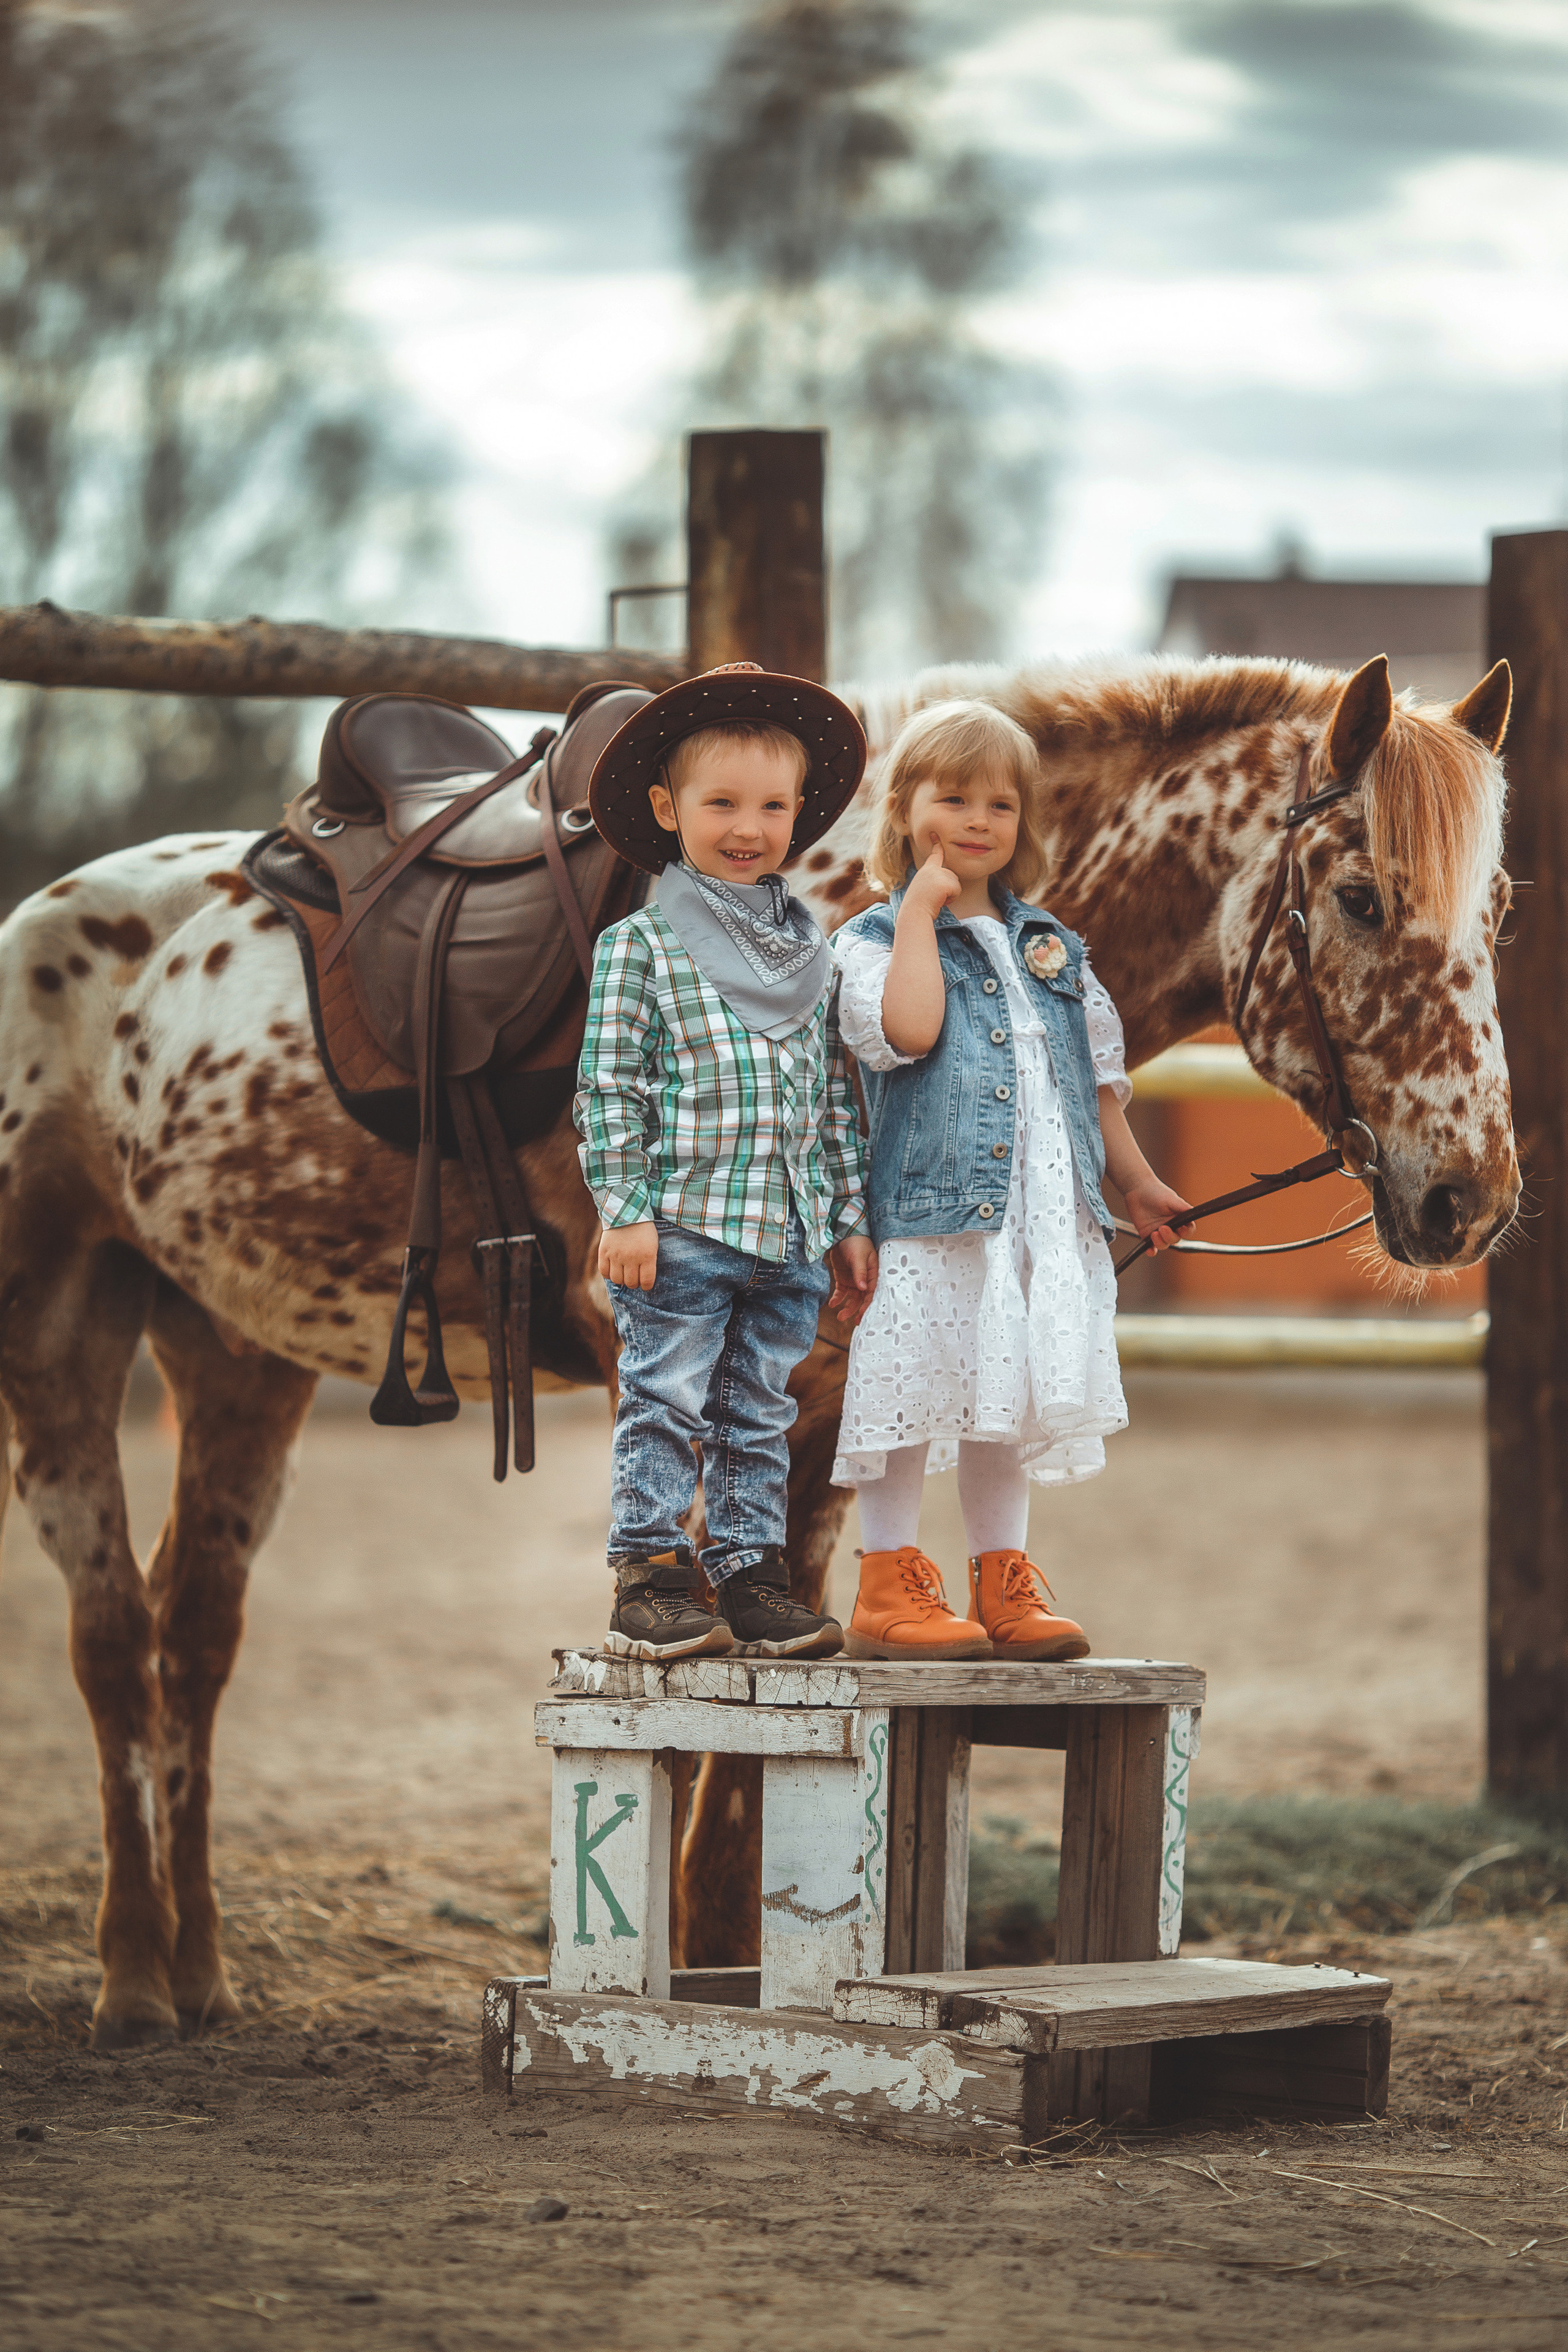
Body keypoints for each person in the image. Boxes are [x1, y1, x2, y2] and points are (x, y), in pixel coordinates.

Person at [828, 698, 1192, 1662]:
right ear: (905, 810)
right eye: (954, 799)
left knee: (1007, 1391)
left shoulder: (1050, 947)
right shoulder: (874, 941)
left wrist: (1137, 1182)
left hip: (1039, 1216)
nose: (980, 821)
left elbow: (1093, 1081)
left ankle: (1003, 1579)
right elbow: (908, 1032)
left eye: (1001, 804)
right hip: (934, 1213)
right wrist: (920, 910)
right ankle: (888, 1580)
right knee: (913, 1389)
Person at [576, 663, 879, 1662]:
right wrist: (624, 1208)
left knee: (759, 1412)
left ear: (799, 815)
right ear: (669, 810)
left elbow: (831, 1101)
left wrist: (845, 1221)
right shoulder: (642, 946)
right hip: (684, 1228)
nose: (749, 828)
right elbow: (610, 1088)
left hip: (785, 1234)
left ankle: (751, 1576)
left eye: (772, 807)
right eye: (722, 804)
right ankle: (650, 1575)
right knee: (665, 1399)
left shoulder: (811, 953)